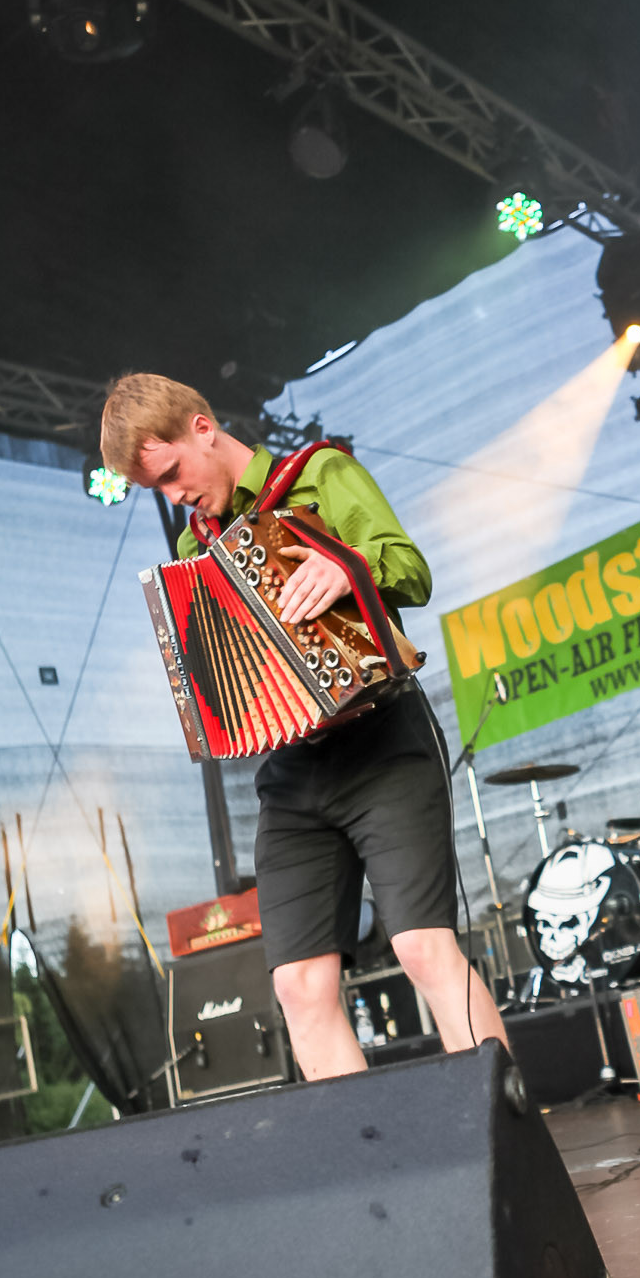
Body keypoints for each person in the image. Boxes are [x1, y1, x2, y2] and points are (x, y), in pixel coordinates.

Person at [102, 373, 505, 1081]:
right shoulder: (195, 550)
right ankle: (368, 1152)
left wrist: (347, 569)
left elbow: (412, 571)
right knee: (298, 985)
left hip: (383, 742)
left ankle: (508, 1131)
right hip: (293, 772)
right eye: (154, 489)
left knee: (423, 949)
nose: (173, 496)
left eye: (170, 474)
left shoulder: (319, 474)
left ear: (203, 428)